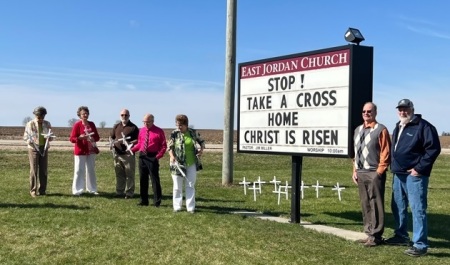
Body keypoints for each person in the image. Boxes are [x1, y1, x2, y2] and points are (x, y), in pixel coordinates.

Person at [385, 99, 441, 257]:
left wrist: (419, 168)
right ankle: (401, 235)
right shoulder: (398, 125)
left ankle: (420, 244)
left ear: (412, 109)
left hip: (414, 176)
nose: (403, 112)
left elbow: (433, 149)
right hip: (398, 174)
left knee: (417, 209)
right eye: (400, 109)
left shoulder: (424, 126)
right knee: (398, 206)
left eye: (406, 109)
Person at [352, 102, 391, 247]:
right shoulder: (358, 130)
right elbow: (356, 153)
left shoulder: (381, 129)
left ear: (375, 112)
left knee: (376, 203)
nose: (366, 113)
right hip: (360, 172)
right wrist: (354, 170)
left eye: (369, 111)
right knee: (365, 204)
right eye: (364, 111)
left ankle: (376, 235)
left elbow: (385, 153)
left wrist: (379, 173)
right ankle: (369, 233)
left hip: (374, 172)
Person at [168, 114, 205, 213]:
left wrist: (201, 150)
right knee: (177, 186)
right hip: (177, 164)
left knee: (190, 184)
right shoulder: (174, 134)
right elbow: (169, 147)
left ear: (186, 125)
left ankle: (190, 207)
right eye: (177, 125)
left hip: (191, 162)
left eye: (181, 125)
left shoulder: (193, 133)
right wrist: (172, 156)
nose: (179, 127)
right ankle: (177, 206)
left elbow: (202, 142)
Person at [131, 114, 167, 207]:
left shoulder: (159, 131)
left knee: (154, 179)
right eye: (144, 122)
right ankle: (144, 200)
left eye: (148, 122)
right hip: (142, 156)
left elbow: (163, 146)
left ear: (152, 121)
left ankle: (157, 201)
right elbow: (140, 143)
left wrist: (157, 157)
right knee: (143, 179)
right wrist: (132, 150)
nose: (146, 124)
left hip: (153, 156)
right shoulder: (141, 130)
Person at [69, 106, 100, 196]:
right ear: (80, 115)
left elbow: (97, 137)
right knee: (79, 170)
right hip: (80, 151)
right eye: (83, 114)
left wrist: (92, 138)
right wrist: (79, 138)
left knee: (91, 170)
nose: (85, 115)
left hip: (91, 151)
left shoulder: (92, 124)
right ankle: (77, 190)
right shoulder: (77, 125)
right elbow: (72, 139)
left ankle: (92, 189)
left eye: (86, 113)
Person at [23, 106, 54, 197]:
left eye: (42, 116)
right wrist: (30, 141)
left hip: (43, 148)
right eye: (38, 117)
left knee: (43, 170)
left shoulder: (47, 124)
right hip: (33, 148)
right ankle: (33, 191)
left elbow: (51, 136)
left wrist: (49, 138)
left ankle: (42, 190)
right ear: (35, 115)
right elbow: (25, 136)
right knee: (34, 170)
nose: (40, 118)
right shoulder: (30, 124)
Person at [110, 109, 139, 199]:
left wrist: (131, 143)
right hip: (117, 154)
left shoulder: (133, 127)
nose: (124, 117)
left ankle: (129, 193)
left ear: (129, 116)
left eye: (126, 115)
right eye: (122, 115)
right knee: (119, 174)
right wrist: (111, 144)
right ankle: (119, 192)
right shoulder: (116, 126)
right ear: (120, 116)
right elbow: (111, 137)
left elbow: (138, 140)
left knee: (129, 174)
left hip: (128, 154)